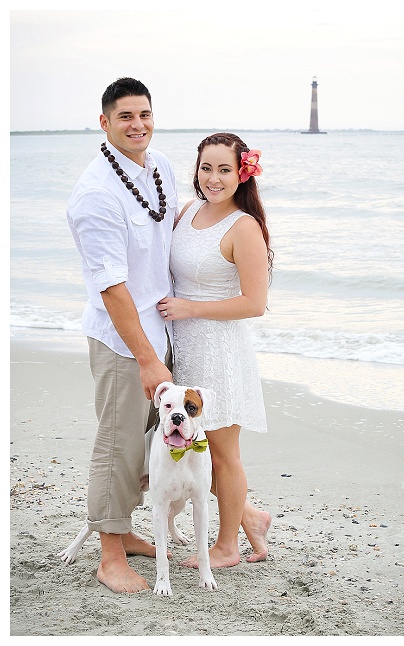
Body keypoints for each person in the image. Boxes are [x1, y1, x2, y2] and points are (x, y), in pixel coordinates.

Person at [67, 77, 177, 593]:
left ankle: (126, 530)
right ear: (105, 122)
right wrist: (147, 359)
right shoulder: (95, 194)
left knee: (147, 443)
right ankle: (110, 555)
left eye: (145, 115)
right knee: (118, 445)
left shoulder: (161, 168)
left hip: (162, 327)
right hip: (122, 340)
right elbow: (112, 288)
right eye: (126, 117)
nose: (139, 125)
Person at [157, 132, 273, 568]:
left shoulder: (244, 227)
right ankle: (249, 516)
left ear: (242, 173)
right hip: (183, 348)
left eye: (225, 169)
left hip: (219, 351)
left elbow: (254, 304)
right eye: (207, 167)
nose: (214, 178)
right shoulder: (187, 212)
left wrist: (190, 307)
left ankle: (227, 547)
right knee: (187, 443)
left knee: (221, 455)